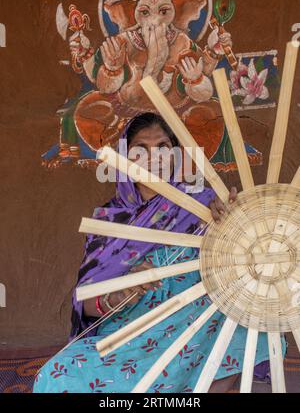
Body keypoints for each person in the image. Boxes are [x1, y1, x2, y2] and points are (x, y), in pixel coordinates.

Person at [33, 113, 284, 393]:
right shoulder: (108, 221)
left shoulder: (204, 206)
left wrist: (235, 223)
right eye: (141, 149)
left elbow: (250, 266)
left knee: (251, 320)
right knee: (56, 375)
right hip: (128, 336)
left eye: (163, 147)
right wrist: (121, 292)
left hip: (192, 333)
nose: (155, 157)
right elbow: (87, 303)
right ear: (126, 157)